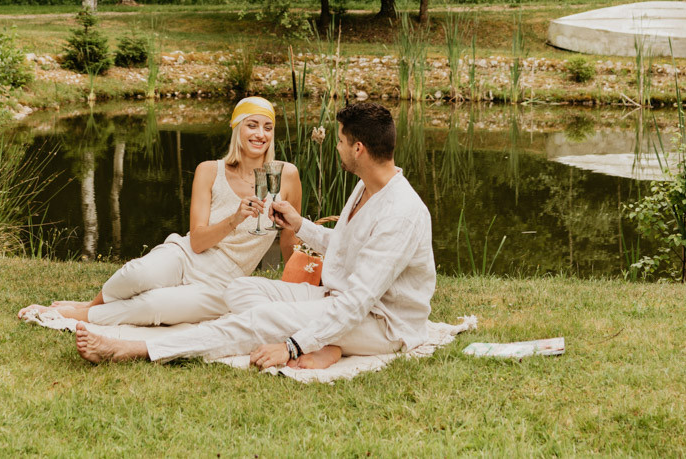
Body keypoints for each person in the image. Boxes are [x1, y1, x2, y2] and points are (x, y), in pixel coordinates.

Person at [74, 101, 434, 370]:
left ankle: (137, 349)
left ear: (358, 149)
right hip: (333, 298)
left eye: (340, 141)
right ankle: (323, 340)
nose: (337, 147)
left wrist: (291, 346)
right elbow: (345, 245)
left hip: (379, 322)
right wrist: (298, 224)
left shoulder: (401, 213)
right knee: (240, 290)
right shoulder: (367, 186)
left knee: (259, 320)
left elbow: (357, 303)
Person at [48, 97, 302, 326]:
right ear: (237, 129)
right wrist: (235, 219)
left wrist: (298, 291)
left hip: (223, 283)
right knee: (137, 274)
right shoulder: (209, 171)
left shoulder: (286, 175)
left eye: (268, 127)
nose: (260, 134)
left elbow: (290, 240)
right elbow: (197, 242)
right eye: (252, 125)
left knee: (152, 305)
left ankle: (81, 315)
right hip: (187, 256)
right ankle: (91, 306)